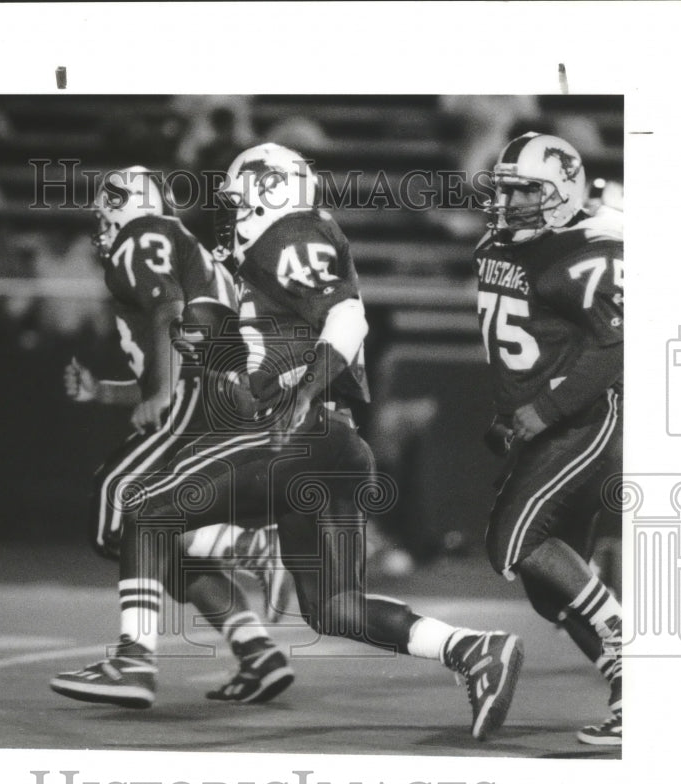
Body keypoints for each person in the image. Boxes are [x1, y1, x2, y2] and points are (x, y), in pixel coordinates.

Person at [55, 145, 524, 741]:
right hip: (333, 444)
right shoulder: (270, 259)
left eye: (238, 200)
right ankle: (473, 650)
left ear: (269, 190)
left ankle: (135, 659)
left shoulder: (291, 233)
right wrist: (231, 363)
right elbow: (278, 353)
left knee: (144, 510)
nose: (229, 215)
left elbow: (347, 317)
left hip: (303, 433)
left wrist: (302, 394)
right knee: (334, 608)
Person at [50, 167, 293, 707]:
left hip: (195, 391)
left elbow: (168, 310)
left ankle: (140, 656)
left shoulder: (144, 235)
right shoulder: (186, 246)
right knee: (162, 539)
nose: (100, 220)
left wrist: (160, 392)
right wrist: (107, 393)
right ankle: (256, 650)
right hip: (224, 398)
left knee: (122, 503)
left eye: (104, 207)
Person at [476, 132, 624, 745]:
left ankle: (640, 653)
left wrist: (545, 408)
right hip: (540, 422)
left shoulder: (590, 252)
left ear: (562, 192)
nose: (509, 202)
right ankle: (633, 691)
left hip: (581, 423)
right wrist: (513, 411)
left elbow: (616, 345)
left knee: (510, 540)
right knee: (544, 587)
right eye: (504, 189)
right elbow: (524, 340)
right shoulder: (500, 243)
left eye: (525, 191)